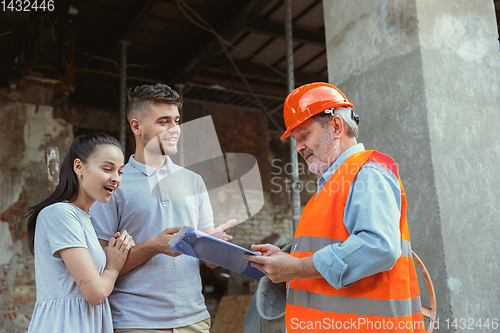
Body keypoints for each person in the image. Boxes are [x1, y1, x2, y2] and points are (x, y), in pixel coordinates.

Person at [245, 82, 425, 332]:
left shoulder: (367, 172)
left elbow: (378, 247)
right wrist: (289, 257)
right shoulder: (331, 184)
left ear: (336, 126)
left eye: (304, 135)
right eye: (296, 140)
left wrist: (296, 268)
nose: (298, 147)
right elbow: (328, 246)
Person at [89, 83, 236, 333]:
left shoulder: (194, 181)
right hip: (135, 322)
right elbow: (99, 267)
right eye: (164, 121)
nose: (175, 130)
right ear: (137, 126)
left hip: (194, 320)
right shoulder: (113, 184)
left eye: (177, 121)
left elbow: (210, 263)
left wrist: (216, 246)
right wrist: (153, 247)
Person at [26, 132, 134, 333]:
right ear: (78, 167)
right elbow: (96, 293)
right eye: (107, 169)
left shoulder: (84, 218)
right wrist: (113, 266)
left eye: (120, 172)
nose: (115, 178)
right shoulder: (60, 214)